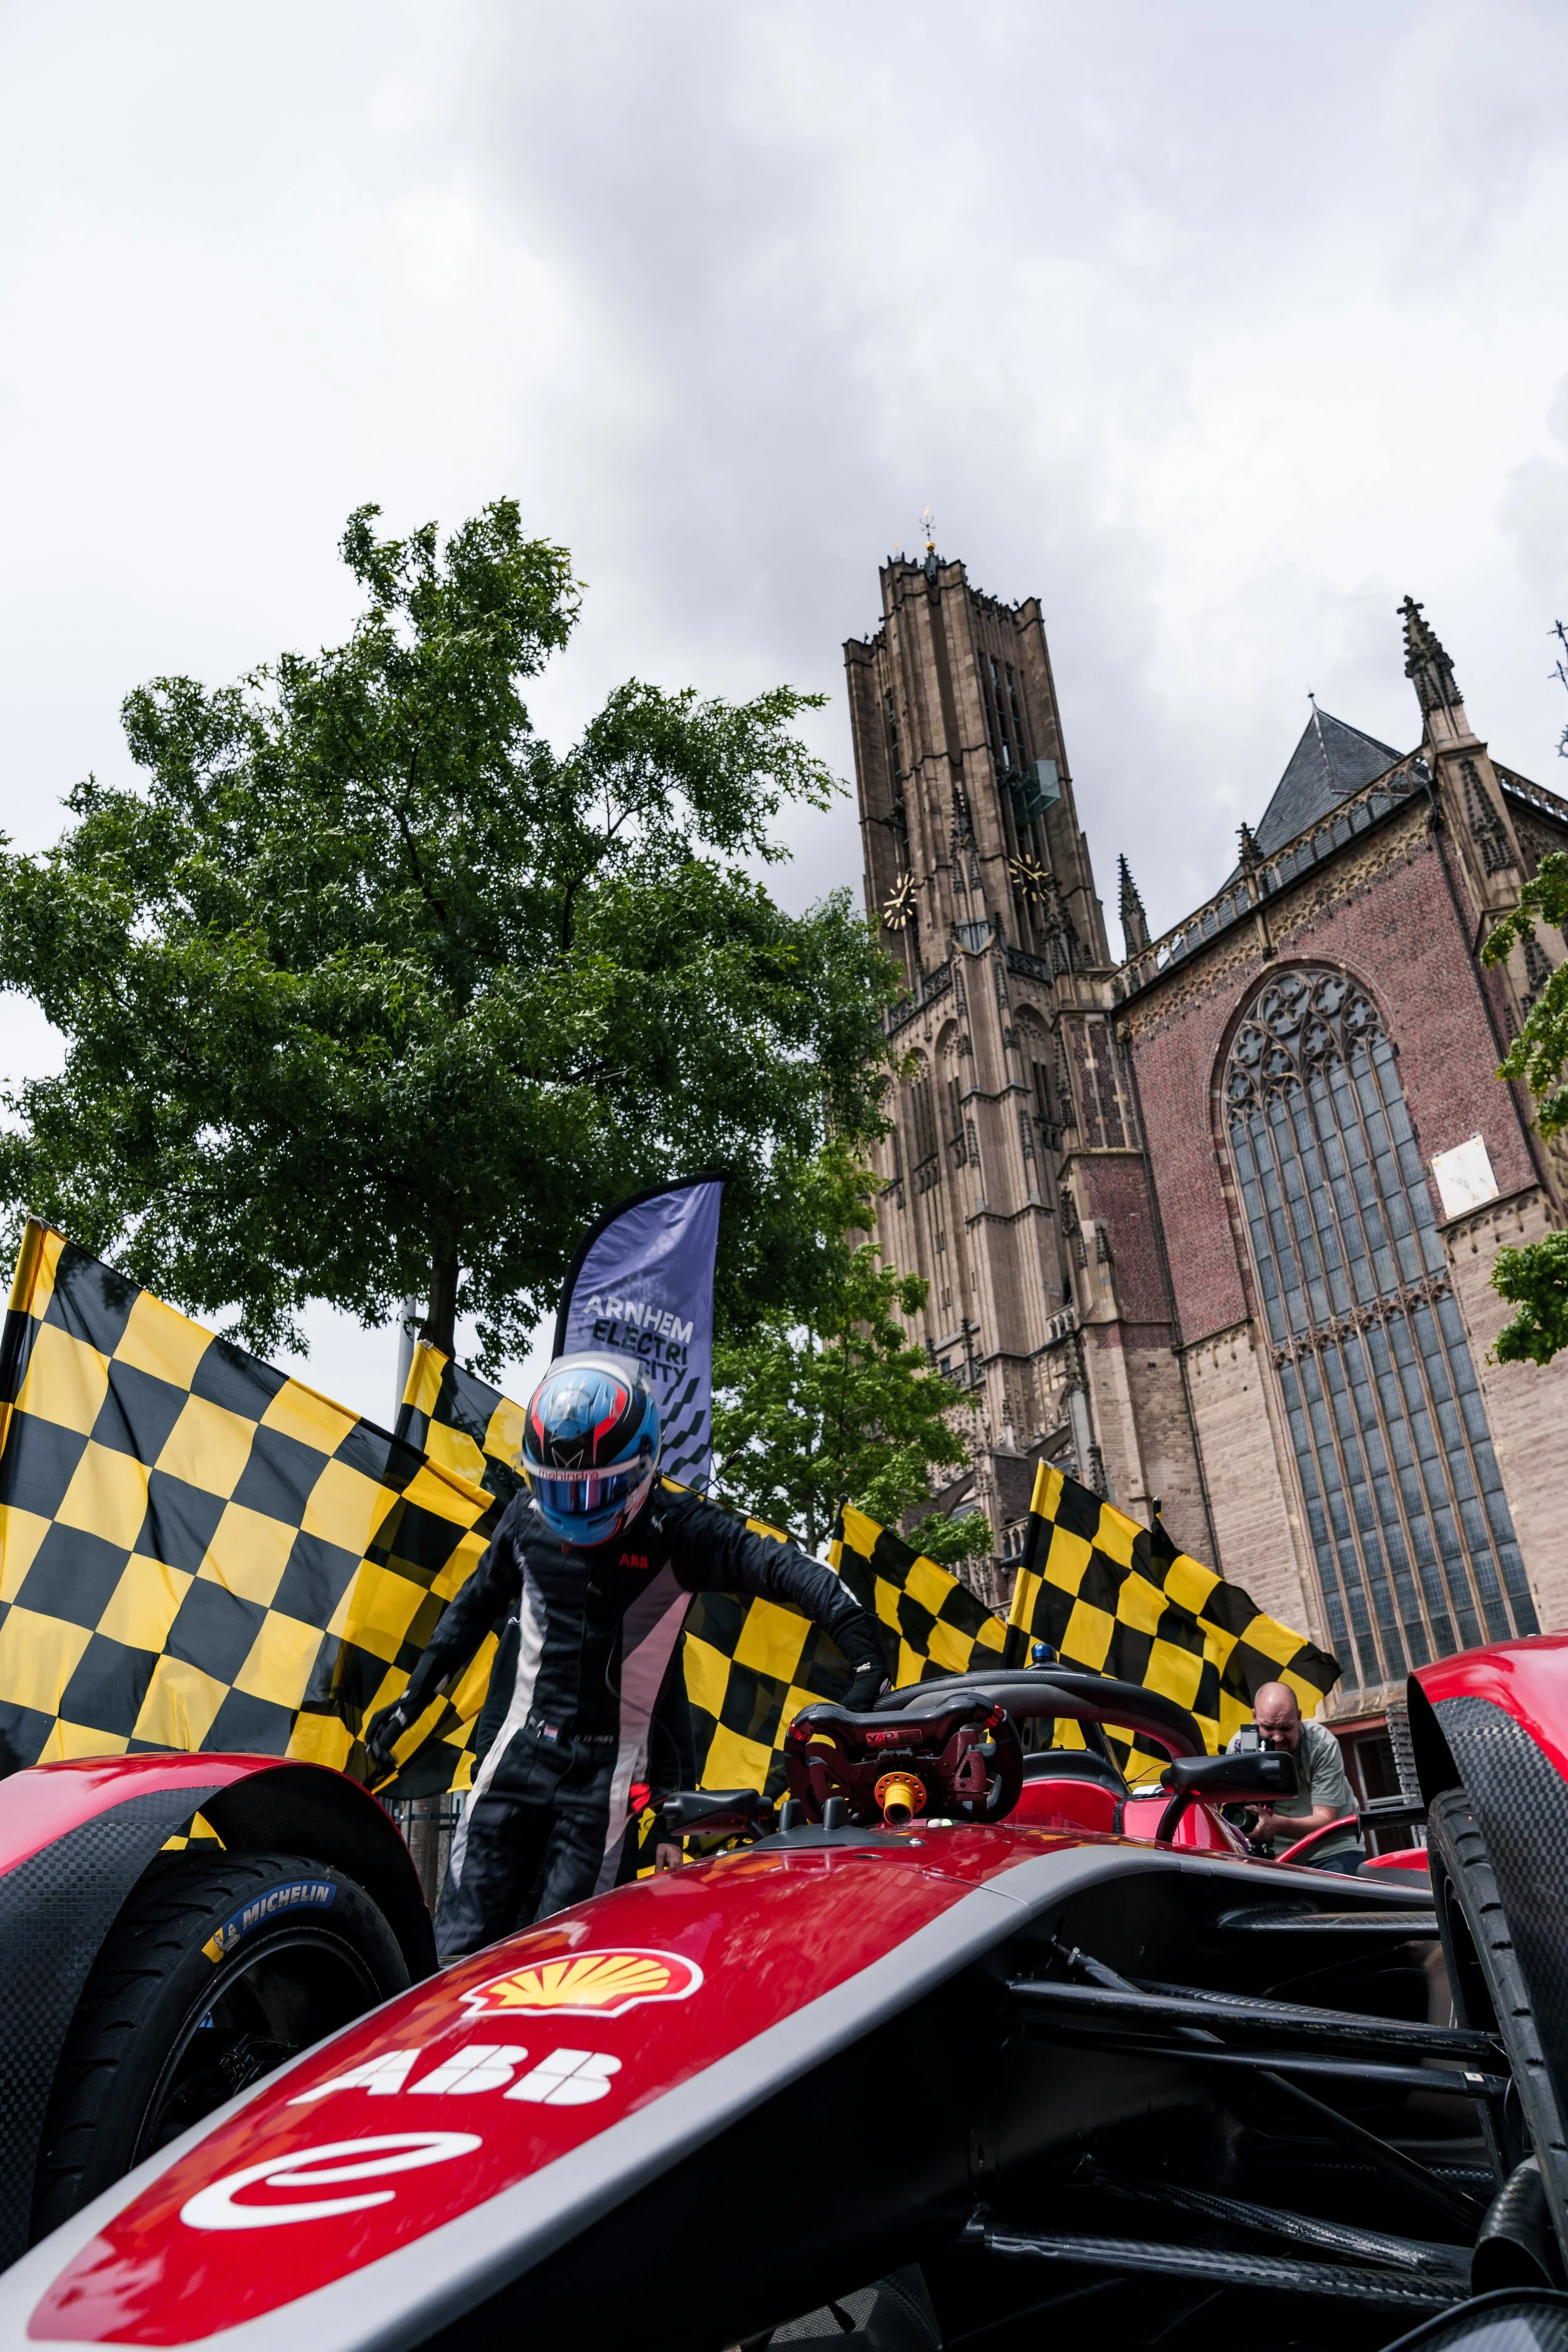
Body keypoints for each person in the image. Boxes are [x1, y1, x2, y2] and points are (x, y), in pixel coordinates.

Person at [364, 1352, 890, 1957]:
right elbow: (468, 1612)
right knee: (456, 1951)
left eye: (596, 1488)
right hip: (517, 1758)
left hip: (606, 1786)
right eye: (559, 1489)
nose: (577, 1507)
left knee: (560, 1955)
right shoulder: (525, 1518)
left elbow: (787, 1569)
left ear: (643, 1465)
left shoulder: (682, 1531)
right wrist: (411, 1702)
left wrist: (865, 1653)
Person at [1229, 1682, 1364, 1872]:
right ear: (1254, 1717)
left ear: (1299, 1717)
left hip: (1331, 1846)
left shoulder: (1322, 1745)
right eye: (1268, 1728)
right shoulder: (1240, 1747)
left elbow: (1325, 1819)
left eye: (1286, 1728)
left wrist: (1276, 1825)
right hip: (1273, 1852)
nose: (1278, 1738)